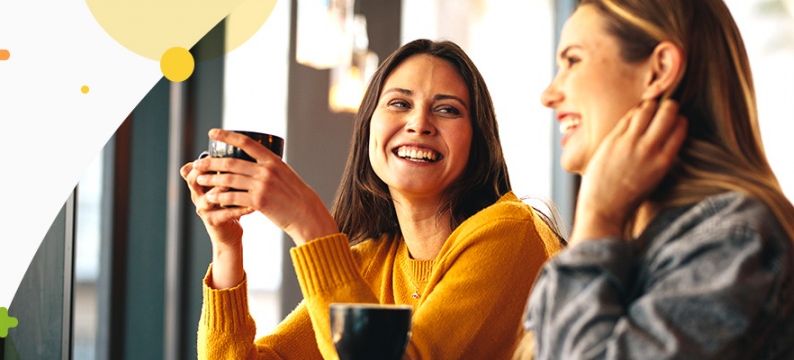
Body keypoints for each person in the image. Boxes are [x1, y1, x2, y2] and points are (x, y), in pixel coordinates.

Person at [181, 39, 563, 359]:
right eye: (399, 103)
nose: (419, 123)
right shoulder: (372, 263)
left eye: (447, 110)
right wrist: (227, 246)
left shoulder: (509, 232)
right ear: (368, 129)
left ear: (477, 141)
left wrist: (308, 222)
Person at [524, 0, 794, 358]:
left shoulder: (734, 239)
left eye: (573, 61)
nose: (548, 95)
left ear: (659, 70)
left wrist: (598, 215)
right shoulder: (639, 237)